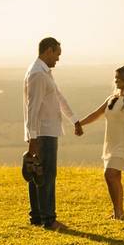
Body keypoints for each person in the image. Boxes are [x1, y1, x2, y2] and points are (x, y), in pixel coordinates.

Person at [24, 37, 82, 230]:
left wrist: (74, 120)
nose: (58, 58)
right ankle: (49, 219)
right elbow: (33, 109)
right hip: (43, 134)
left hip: (45, 132)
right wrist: (33, 139)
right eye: (57, 54)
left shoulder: (44, 72)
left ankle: (38, 217)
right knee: (46, 175)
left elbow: (58, 96)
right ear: (48, 51)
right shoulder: (37, 74)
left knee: (37, 174)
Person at [76, 65, 124, 220]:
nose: (116, 80)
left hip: (123, 144)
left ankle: (119, 212)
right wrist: (79, 124)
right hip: (109, 144)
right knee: (114, 177)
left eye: (119, 78)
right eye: (115, 77)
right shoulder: (112, 99)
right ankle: (118, 212)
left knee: (110, 175)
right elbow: (96, 114)